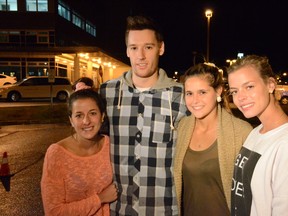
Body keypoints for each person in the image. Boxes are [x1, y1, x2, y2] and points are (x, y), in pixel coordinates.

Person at [100, 15, 187, 215]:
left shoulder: (181, 96)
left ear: (161, 48)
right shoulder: (107, 93)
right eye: (134, 48)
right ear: (127, 50)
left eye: (148, 47)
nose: (140, 56)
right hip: (119, 209)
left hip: (163, 209)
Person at [174, 63, 252, 216]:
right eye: (189, 93)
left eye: (202, 92)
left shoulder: (242, 131)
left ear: (218, 91)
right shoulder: (182, 127)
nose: (195, 100)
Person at [228, 55, 288, 216]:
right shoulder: (255, 132)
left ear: (270, 85)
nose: (240, 97)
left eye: (249, 87)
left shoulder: (284, 143)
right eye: (234, 91)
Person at [41, 89, 117, 216]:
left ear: (102, 116)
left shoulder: (110, 145)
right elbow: (54, 212)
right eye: (79, 115)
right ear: (71, 120)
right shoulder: (57, 153)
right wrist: (100, 198)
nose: (86, 121)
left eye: (92, 113)